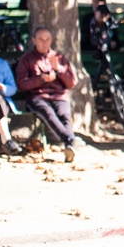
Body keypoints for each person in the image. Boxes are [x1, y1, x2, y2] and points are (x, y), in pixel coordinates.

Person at [15, 27, 78, 162]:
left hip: (59, 96)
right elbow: (22, 84)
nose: (44, 43)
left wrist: (59, 70)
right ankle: (70, 139)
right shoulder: (27, 59)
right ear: (34, 41)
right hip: (37, 97)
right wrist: (41, 79)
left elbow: (71, 82)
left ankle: (69, 146)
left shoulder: (59, 58)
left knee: (64, 115)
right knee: (47, 113)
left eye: (47, 39)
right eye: (41, 39)